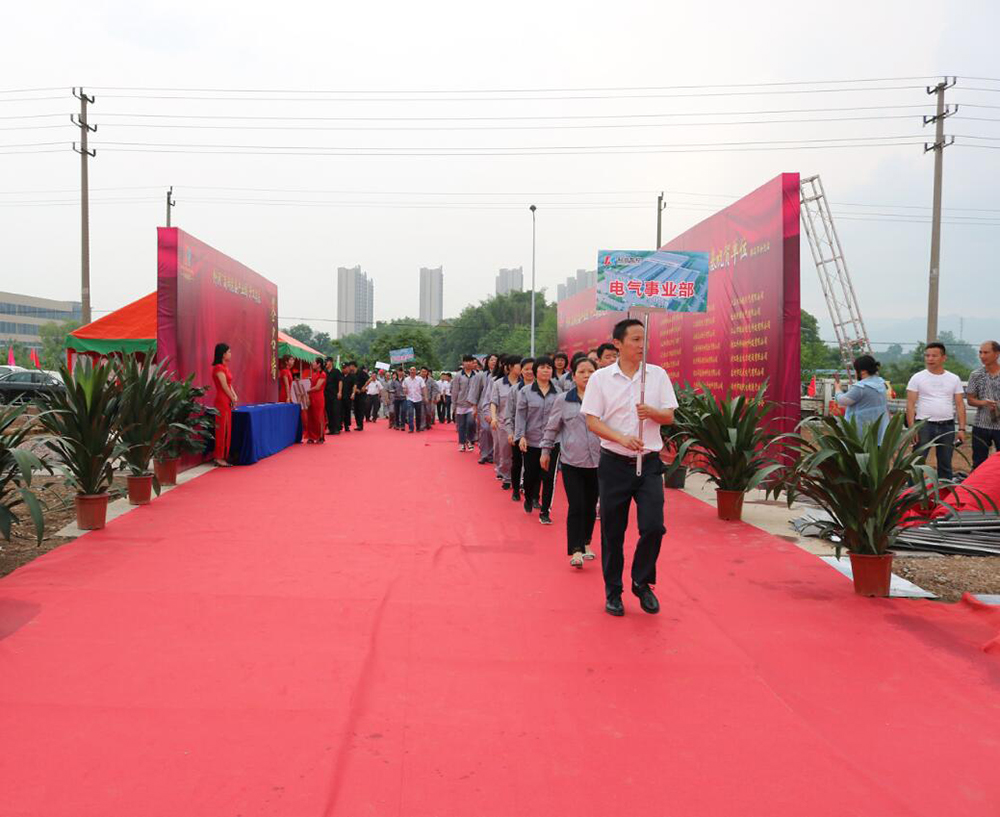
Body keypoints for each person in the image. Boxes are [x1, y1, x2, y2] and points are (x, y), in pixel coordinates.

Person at [582, 318, 678, 617]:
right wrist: (621, 437)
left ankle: (641, 581)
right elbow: (592, 420)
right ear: (618, 343)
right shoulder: (601, 379)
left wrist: (653, 412)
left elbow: (669, 416)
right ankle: (613, 592)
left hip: (649, 463)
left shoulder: (657, 375)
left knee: (653, 526)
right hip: (614, 463)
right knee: (613, 531)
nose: (641, 345)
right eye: (635, 339)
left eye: (644, 339)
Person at [542, 356, 601, 568]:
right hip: (571, 462)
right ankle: (576, 550)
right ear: (573, 376)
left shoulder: (603, 399)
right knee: (576, 505)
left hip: (599, 461)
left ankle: (586, 543)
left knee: (590, 506)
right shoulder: (563, 400)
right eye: (582, 372)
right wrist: (545, 451)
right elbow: (552, 427)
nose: (587, 375)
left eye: (591, 372)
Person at [906, 342, 966, 481]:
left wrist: (962, 429)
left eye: (934, 355)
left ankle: (945, 491)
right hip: (923, 426)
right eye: (927, 355)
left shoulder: (953, 378)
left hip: (947, 426)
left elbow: (960, 404)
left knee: (945, 463)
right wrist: (912, 429)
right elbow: (910, 404)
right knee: (917, 462)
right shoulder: (917, 378)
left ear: (944, 358)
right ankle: (912, 491)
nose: (930, 359)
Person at [516, 355, 560, 524]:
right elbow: (521, 415)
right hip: (531, 441)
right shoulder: (525, 392)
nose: (546, 370)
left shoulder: (559, 393)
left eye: (549, 367)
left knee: (549, 478)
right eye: (542, 367)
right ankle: (528, 497)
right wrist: (521, 436)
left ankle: (545, 511)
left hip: (552, 442)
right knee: (530, 475)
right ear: (535, 371)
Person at [834, 355, 890, 442]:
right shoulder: (881, 383)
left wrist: (837, 389)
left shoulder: (861, 387)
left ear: (863, 371)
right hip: (879, 428)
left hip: (861, 430)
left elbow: (843, 401)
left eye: (856, 370)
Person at [966, 340, 1000, 470]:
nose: (982, 356)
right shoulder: (976, 375)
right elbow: (970, 399)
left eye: (986, 352)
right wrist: (984, 403)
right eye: (980, 352)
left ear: (997, 354)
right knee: (978, 462)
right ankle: (977, 483)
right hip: (981, 425)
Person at [490, 356, 520, 489]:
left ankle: (520, 478)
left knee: (520, 453)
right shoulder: (498, 383)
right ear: (510, 367)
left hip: (520, 424)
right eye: (519, 365)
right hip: (503, 423)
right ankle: (507, 477)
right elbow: (493, 402)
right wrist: (494, 418)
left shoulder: (525, 384)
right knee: (505, 452)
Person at [507, 357, 534, 502]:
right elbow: (509, 413)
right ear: (521, 371)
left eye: (532, 369)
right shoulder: (514, 389)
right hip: (518, 432)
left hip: (535, 433)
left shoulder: (542, 389)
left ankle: (532, 494)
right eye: (526, 369)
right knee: (517, 462)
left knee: (533, 465)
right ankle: (516, 489)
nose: (529, 372)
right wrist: (510, 432)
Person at [211, 343, 237, 467]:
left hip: (227, 399)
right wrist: (232, 397)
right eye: (229, 352)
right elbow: (224, 386)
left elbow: (230, 385)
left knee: (227, 428)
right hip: (221, 400)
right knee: (221, 429)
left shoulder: (225, 367)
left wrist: (234, 395)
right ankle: (218, 457)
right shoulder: (218, 368)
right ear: (223, 354)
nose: (231, 354)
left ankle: (224, 455)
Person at [473, 354, 499, 463]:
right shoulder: (481, 375)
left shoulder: (500, 376)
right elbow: (476, 391)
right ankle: (484, 453)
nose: (494, 362)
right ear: (487, 362)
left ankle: (492, 453)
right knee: (485, 430)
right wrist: (474, 407)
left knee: (494, 431)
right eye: (491, 360)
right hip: (484, 406)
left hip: (497, 407)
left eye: (496, 360)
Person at [452, 355, 479, 452]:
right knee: (461, 425)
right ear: (463, 363)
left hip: (472, 404)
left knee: (471, 423)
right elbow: (455, 391)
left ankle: (470, 440)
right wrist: (454, 405)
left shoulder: (477, 375)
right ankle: (462, 443)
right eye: (466, 361)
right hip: (460, 404)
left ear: (473, 363)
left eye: (470, 361)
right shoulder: (458, 375)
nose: (468, 363)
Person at [306, 357, 327, 443]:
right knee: (311, 417)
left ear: (319, 364)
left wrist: (307, 390)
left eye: (314, 362)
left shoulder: (323, 374)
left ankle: (320, 436)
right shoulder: (314, 374)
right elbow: (312, 385)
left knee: (319, 417)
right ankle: (311, 437)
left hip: (318, 397)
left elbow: (318, 387)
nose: (312, 363)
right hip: (312, 396)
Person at [402, 365, 425, 433]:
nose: (412, 371)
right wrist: (405, 390)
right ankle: (411, 428)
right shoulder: (406, 380)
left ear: (416, 371)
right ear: (409, 371)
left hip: (418, 398)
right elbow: (404, 387)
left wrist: (425, 396)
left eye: (413, 370)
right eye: (411, 370)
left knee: (418, 414)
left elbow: (423, 388)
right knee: (410, 413)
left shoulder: (420, 379)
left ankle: (418, 427)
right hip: (410, 398)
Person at [324, 357, 342, 434]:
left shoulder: (336, 371)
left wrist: (340, 392)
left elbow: (340, 381)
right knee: (328, 411)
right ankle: (330, 428)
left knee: (336, 411)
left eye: (327, 361)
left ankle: (337, 428)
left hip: (335, 394)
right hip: (326, 394)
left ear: (331, 362)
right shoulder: (324, 372)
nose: (326, 363)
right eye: (325, 362)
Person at [340, 362, 356, 433]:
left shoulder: (352, 376)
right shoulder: (340, 375)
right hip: (341, 396)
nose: (343, 369)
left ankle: (346, 425)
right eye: (342, 368)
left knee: (347, 411)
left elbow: (355, 385)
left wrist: (353, 393)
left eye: (345, 368)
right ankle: (340, 425)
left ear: (348, 368)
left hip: (348, 396)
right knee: (340, 411)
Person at [353, 364, 369, 430]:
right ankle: (358, 425)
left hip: (362, 394)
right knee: (356, 410)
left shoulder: (361, 373)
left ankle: (360, 425)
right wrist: (355, 390)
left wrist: (364, 387)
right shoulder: (352, 374)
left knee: (361, 410)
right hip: (355, 394)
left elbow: (369, 379)